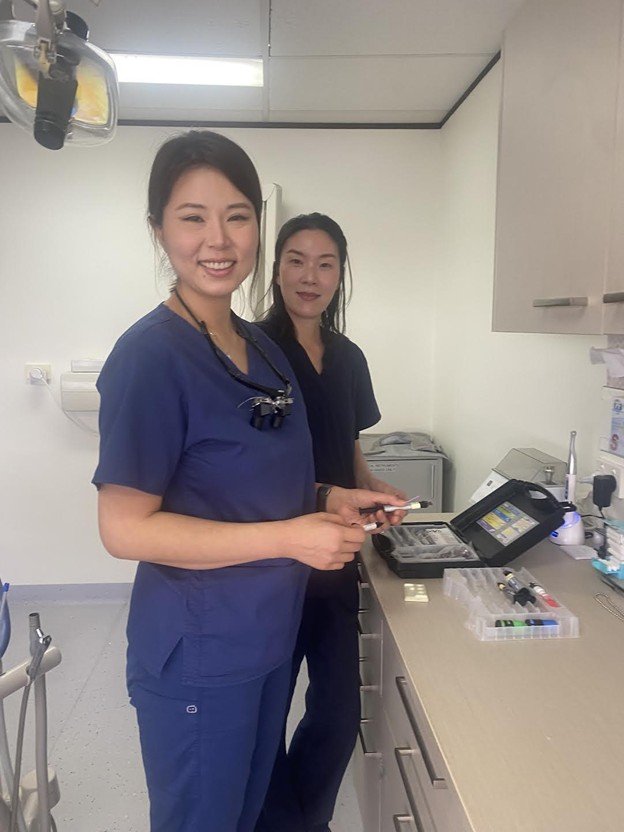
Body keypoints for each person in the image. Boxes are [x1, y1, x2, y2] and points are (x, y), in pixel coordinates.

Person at [92, 131, 402, 832]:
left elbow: (271, 476)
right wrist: (291, 537)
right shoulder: (149, 359)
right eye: (192, 216)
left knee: (252, 815)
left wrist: (332, 498)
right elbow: (123, 528)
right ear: (158, 230)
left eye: (236, 215)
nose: (218, 238)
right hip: (201, 652)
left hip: (266, 636)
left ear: (256, 224)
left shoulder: (260, 348)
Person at [254, 213, 406, 832]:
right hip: (271, 562)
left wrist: (372, 487)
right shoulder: (251, 350)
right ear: (276, 268)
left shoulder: (349, 358)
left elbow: (347, 444)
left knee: (341, 714)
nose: (309, 276)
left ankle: (301, 821)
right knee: (262, 717)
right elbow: (242, 464)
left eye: (325, 263)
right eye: (296, 260)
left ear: (341, 274)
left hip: (339, 560)